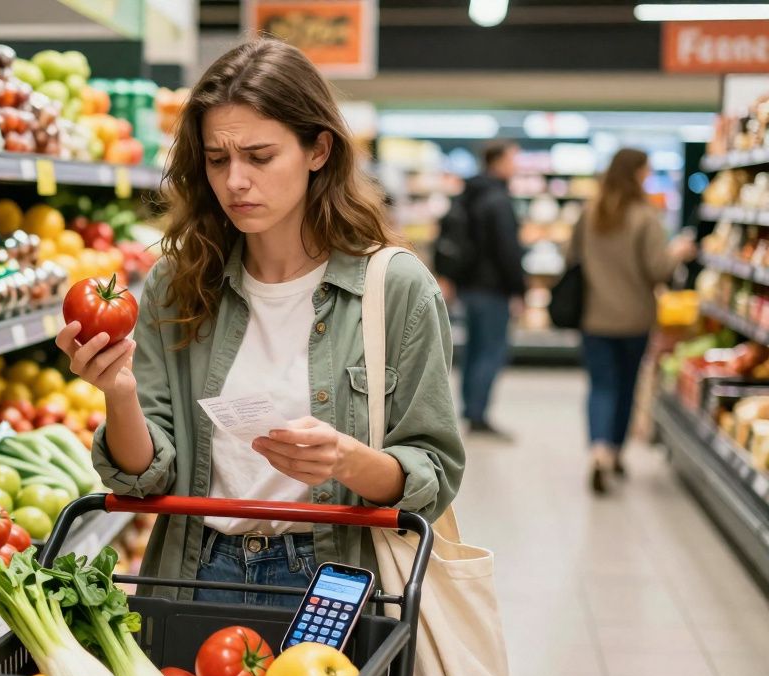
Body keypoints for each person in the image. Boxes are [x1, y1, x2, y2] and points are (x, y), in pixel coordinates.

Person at [54, 38, 465, 607]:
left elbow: (432, 475)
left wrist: (347, 460)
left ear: (318, 150)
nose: (235, 181)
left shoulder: (393, 289)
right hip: (196, 571)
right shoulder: (179, 284)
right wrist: (118, 394)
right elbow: (146, 478)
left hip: (335, 579)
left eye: (260, 156)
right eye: (217, 160)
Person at [571, 148, 695, 493]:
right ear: (637, 173)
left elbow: (571, 258)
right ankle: (615, 452)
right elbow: (659, 269)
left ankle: (598, 450)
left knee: (600, 385)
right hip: (635, 318)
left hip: (594, 316)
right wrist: (679, 253)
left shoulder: (590, 211)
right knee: (626, 386)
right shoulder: (645, 216)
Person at [454, 141, 526, 439]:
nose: (516, 164)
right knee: (491, 351)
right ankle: (479, 415)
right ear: (497, 162)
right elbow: (507, 250)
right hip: (493, 288)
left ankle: (470, 408)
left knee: (473, 350)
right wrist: (518, 289)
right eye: (513, 158)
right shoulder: (498, 199)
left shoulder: (470, 194)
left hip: (469, 285)